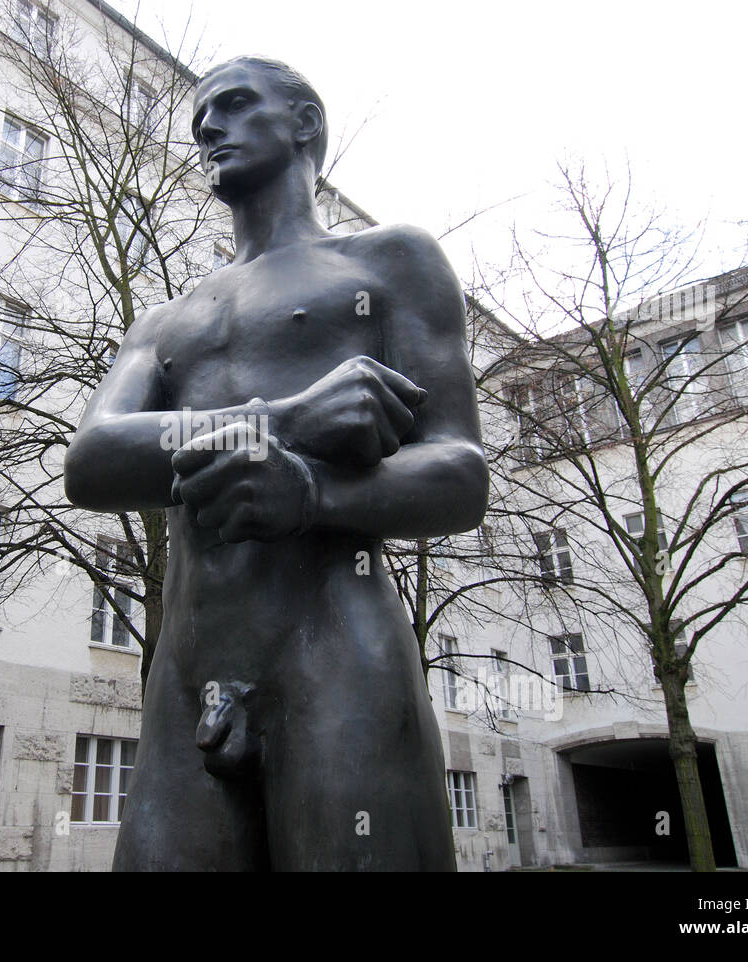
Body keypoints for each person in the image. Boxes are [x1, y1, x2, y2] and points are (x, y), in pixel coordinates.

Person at [63, 56, 487, 870]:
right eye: (198, 118)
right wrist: (281, 421)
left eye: (231, 105)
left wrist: (312, 493)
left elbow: (461, 475)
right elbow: (93, 461)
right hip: (189, 668)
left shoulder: (388, 262)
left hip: (335, 654)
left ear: (303, 125)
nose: (206, 128)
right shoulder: (167, 319)